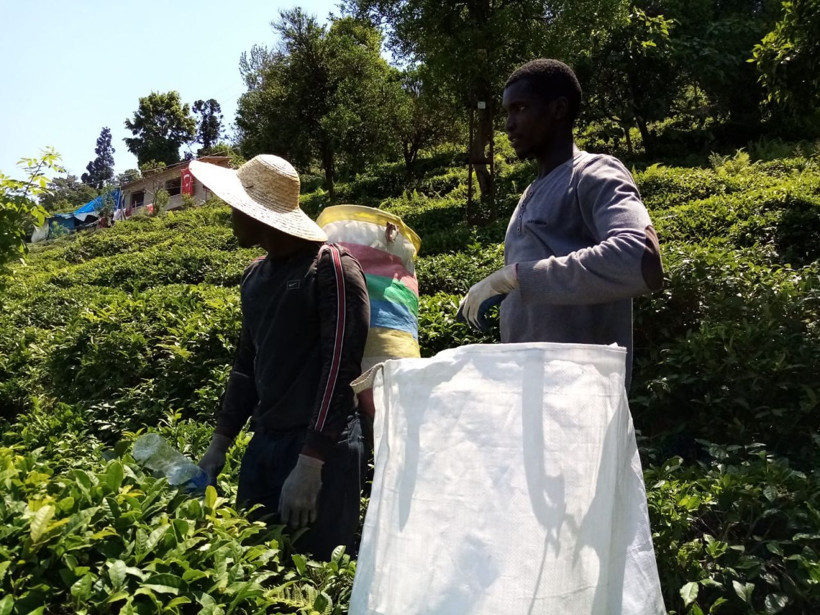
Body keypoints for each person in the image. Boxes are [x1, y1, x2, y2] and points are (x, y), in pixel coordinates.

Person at [191, 154, 371, 560]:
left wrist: (310, 465)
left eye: (235, 206)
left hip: (322, 447)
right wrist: (219, 445)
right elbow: (245, 366)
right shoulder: (255, 277)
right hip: (266, 441)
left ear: (258, 214)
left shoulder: (333, 269)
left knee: (313, 572)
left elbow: (341, 370)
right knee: (254, 564)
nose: (230, 214)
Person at [458, 59, 663, 386]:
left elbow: (640, 258)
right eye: (507, 112)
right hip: (530, 389)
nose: (509, 124)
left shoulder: (593, 173)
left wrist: (514, 277)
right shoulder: (531, 191)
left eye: (521, 108)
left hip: (579, 395)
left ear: (558, 109)